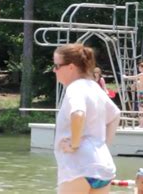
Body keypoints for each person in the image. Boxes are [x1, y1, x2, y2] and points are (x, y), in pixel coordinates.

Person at [52, 43, 120, 194]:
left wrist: (74, 145)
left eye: (57, 66)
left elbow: (78, 113)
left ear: (70, 67)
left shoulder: (75, 88)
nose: (54, 70)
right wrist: (103, 145)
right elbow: (115, 115)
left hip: (78, 166)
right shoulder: (94, 87)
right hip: (103, 165)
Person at [123, 62, 143, 127]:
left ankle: (141, 125)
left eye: (139, 67)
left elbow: (134, 77)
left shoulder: (142, 74)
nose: (138, 68)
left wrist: (125, 77)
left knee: (141, 109)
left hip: (142, 93)